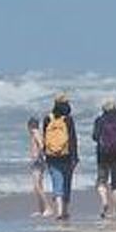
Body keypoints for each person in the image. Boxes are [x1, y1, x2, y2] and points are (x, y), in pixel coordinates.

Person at [39, 94, 79, 222]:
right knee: (66, 183)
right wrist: (75, 157)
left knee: (57, 183)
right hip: (67, 155)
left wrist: (44, 154)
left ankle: (59, 212)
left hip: (51, 156)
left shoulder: (47, 118)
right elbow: (72, 139)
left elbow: (44, 138)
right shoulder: (68, 119)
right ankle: (65, 211)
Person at [26, 117, 48, 217]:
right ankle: (42, 209)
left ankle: (48, 208)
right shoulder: (35, 133)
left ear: (30, 126)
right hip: (38, 161)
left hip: (38, 161)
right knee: (38, 186)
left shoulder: (35, 132)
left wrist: (37, 156)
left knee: (37, 186)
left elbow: (42, 145)